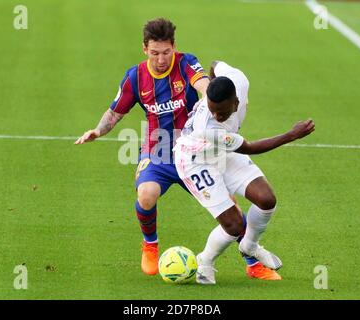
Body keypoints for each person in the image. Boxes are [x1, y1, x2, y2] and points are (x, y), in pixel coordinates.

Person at [75, 18, 209, 276]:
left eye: (166, 52)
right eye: (155, 52)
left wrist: (209, 97)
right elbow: (115, 113)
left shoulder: (186, 62)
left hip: (194, 151)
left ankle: (252, 260)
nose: (161, 59)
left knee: (227, 207)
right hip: (157, 150)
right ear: (145, 49)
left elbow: (203, 85)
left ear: (174, 47)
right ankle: (150, 245)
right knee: (146, 194)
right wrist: (98, 130)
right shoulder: (135, 76)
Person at [174, 64, 315, 284]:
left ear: (236, 102)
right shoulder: (209, 127)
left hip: (223, 152)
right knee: (234, 225)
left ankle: (249, 246)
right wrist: (291, 135)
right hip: (194, 161)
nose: (216, 115)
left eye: (220, 111)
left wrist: (214, 80)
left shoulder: (238, 79)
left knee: (266, 200)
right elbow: (250, 148)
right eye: (211, 109)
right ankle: (205, 261)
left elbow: (215, 65)